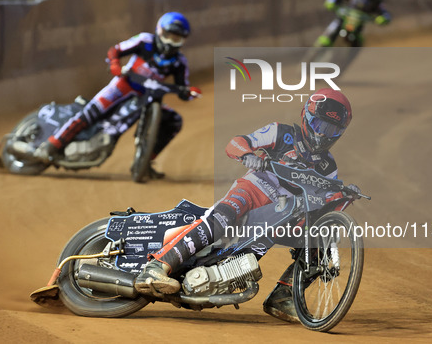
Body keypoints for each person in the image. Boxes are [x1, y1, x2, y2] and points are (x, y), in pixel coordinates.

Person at [134, 88, 361, 323]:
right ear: (306, 116)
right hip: (253, 191)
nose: (323, 134)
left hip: (282, 215)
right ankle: (157, 266)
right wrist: (247, 155)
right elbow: (237, 143)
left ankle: (284, 297)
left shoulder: (328, 167)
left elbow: (320, 209)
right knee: (223, 216)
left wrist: (340, 199)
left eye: (331, 129)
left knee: (319, 239)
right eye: (320, 125)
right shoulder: (281, 132)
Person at [33, 12, 196, 178]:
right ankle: (51, 146)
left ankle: (146, 162)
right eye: (168, 36)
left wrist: (189, 93)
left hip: (147, 99)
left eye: (176, 39)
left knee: (175, 121)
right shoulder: (145, 40)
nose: (170, 42)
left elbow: (183, 88)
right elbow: (115, 50)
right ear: (159, 31)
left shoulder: (180, 62)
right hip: (123, 86)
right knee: (90, 113)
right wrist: (115, 66)